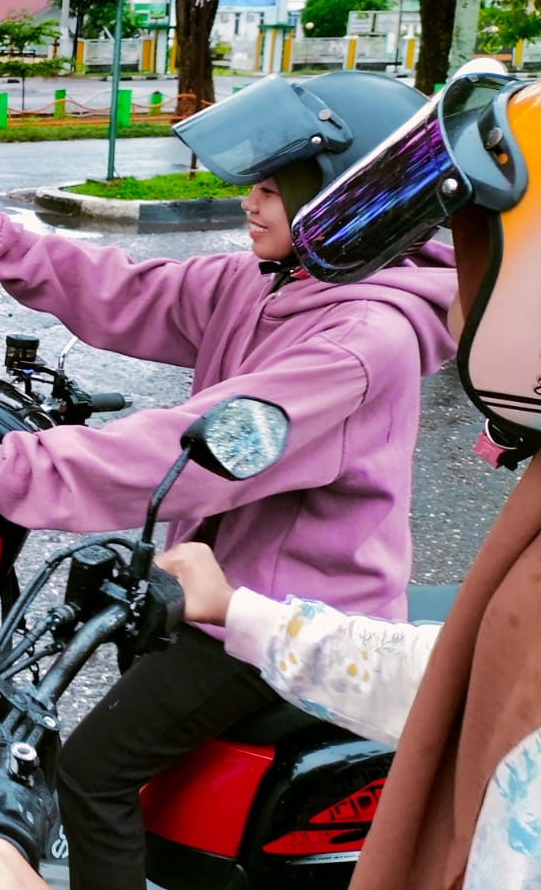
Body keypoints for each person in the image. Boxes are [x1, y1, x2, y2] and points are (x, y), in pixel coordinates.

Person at [0, 71, 457, 890]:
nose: (251, 202)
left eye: (275, 188)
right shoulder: (275, 280)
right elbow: (127, 289)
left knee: (90, 774)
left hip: (294, 607)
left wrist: (2, 467)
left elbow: (180, 456)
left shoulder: (360, 338)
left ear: (347, 199)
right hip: (206, 579)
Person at [156, 66, 541, 886]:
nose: (456, 305)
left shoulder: (361, 335)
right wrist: (240, 609)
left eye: (477, 269)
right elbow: (453, 681)